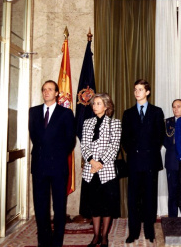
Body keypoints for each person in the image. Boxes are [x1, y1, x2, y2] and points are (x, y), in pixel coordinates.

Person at [28, 80, 75, 247]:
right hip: (39, 165)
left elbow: (70, 141)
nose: (46, 92)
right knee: (41, 206)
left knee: (59, 206)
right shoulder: (33, 112)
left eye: (50, 89)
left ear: (57, 93)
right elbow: (34, 136)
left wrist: (56, 154)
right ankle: (43, 241)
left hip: (58, 165)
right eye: (44, 89)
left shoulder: (66, 113)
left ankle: (57, 242)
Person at [121, 79, 165, 243]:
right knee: (133, 198)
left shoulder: (157, 112)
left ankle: (149, 232)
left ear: (147, 92)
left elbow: (159, 136)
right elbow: (124, 139)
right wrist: (134, 151)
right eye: (135, 90)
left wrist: (147, 152)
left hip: (150, 162)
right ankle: (133, 232)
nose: (137, 92)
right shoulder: (128, 113)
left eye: (140, 89)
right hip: (133, 161)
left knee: (149, 198)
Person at [80, 93, 121, 247]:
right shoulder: (87, 123)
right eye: (94, 103)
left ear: (106, 106)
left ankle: (104, 236)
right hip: (90, 171)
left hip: (106, 170)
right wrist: (91, 161)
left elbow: (114, 146)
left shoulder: (115, 123)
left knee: (106, 205)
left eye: (98, 103)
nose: (94, 106)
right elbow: (84, 145)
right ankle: (96, 235)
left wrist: (100, 163)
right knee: (94, 205)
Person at [163, 99, 181, 218]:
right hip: (172, 161)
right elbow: (165, 142)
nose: (176, 109)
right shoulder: (167, 122)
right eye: (174, 107)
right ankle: (172, 220)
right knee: (172, 193)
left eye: (178, 106)